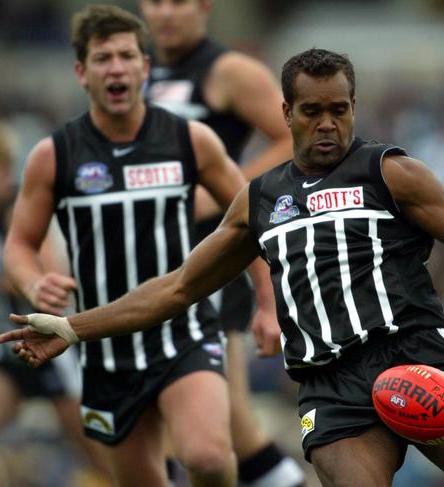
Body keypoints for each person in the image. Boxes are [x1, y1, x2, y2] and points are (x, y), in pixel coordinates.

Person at [0, 48, 444, 487]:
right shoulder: (259, 198)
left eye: (340, 110)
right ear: (286, 113)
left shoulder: (391, 173)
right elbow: (179, 287)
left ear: (353, 108)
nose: (328, 124)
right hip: (331, 389)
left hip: (416, 358)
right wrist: (74, 328)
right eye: (312, 112)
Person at [0, 6, 280, 487]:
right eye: (103, 57)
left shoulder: (190, 140)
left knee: (209, 457)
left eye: (128, 55)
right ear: (82, 73)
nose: (117, 67)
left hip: (185, 330)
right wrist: (34, 280)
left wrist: (268, 306)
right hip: (102, 342)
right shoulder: (55, 155)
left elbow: (249, 222)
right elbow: (20, 245)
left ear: (145, 68)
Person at [139, 2, 304, 485]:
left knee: (193, 417)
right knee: (230, 421)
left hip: (210, 254)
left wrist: (222, 190)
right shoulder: (142, 70)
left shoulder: (227, 70)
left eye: (179, 1)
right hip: (155, 253)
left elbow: (292, 138)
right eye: (155, 1)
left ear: (204, 7)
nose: (166, 13)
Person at [0, 118, 110, 486]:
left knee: (100, 455)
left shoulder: (18, 209)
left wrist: (12, 281)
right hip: (15, 350)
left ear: (4, 168)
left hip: (55, 349)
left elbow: (51, 276)